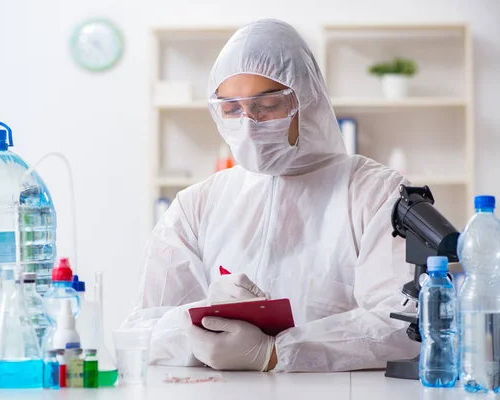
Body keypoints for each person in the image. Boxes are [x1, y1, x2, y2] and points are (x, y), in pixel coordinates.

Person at [122, 19, 420, 372]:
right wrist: (199, 315)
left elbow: (404, 325)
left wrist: (275, 353)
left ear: (306, 101)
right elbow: (142, 332)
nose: (248, 126)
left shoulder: (375, 194)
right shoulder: (196, 206)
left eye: (267, 106)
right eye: (232, 109)